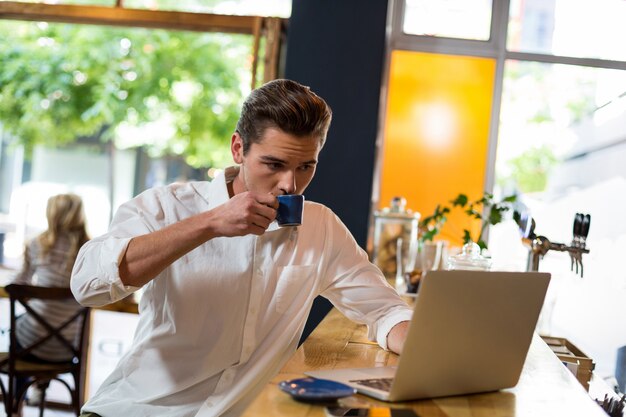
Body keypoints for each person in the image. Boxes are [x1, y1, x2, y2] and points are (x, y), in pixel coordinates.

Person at [71, 79, 412, 417]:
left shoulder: (321, 228)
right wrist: (209, 224)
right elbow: (87, 286)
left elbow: (384, 311)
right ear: (238, 149)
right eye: (274, 165)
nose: (290, 184)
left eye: (306, 167)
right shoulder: (168, 207)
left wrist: (426, 350)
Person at [11, 194, 90, 399]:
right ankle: (40, 386)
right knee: (54, 326)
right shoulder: (90, 250)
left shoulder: (37, 244)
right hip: (68, 349)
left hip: (30, 345)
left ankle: (17, 402)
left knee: (18, 326)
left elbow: (19, 284)